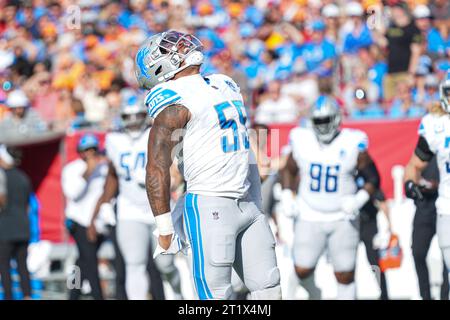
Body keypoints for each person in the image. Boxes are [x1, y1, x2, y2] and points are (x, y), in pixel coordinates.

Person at [136, 30, 281, 300]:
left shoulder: (222, 83)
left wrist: (256, 198)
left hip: (246, 200)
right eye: (170, 49)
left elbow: (244, 147)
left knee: (269, 287)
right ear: (158, 66)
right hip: (210, 204)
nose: (182, 46)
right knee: (215, 297)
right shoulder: (173, 98)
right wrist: (164, 227)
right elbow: (156, 165)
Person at [280, 95, 380, 300]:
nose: (323, 127)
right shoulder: (302, 139)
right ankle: (316, 295)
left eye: (326, 121)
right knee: (302, 268)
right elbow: (288, 170)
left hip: (342, 217)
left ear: (336, 119)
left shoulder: (352, 141)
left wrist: (359, 199)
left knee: (344, 273)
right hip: (309, 213)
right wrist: (287, 195)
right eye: (319, 122)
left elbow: (373, 177)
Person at [90, 96, 183, 300]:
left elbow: (176, 172)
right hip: (129, 209)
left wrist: (163, 180)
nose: (132, 121)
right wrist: (105, 202)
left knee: (165, 264)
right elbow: (113, 173)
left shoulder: (156, 133)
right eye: (127, 116)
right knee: (134, 263)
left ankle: (178, 294)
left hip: (160, 208)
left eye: (137, 115)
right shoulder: (114, 140)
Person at [404, 72, 450, 299]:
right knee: (421, 253)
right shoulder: (435, 126)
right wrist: (410, 183)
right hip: (442, 207)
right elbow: (413, 165)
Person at [61, 133, 109, 300]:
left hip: (97, 223)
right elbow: (73, 193)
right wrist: (88, 172)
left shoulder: (104, 168)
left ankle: (73, 294)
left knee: (82, 262)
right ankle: (98, 296)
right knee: (90, 263)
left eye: (93, 150)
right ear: (80, 152)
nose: (90, 154)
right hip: (79, 223)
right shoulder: (71, 169)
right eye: (86, 150)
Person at [410, 157, 449, 300]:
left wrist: (437, 185)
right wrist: (413, 185)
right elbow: (411, 168)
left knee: (447, 256)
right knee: (418, 253)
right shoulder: (425, 147)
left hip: (445, 209)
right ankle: (425, 295)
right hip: (424, 210)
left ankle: (445, 295)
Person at [0, 145, 32, 300]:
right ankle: (27, 296)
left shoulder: (2, 176)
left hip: (5, 229)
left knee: (4, 267)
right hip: (23, 227)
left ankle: (8, 297)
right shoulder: (23, 177)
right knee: (22, 266)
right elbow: (26, 204)